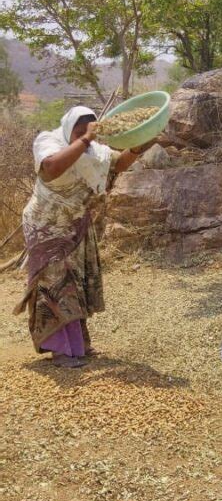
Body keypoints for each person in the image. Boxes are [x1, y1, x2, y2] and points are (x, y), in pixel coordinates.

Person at [16, 105, 153, 368]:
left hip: (75, 225)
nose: (85, 136)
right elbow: (51, 168)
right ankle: (60, 351)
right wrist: (86, 138)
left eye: (89, 131)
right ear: (69, 128)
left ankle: (78, 345)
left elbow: (118, 163)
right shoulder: (48, 141)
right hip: (46, 227)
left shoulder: (95, 152)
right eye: (79, 132)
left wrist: (141, 144)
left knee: (76, 281)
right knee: (54, 284)